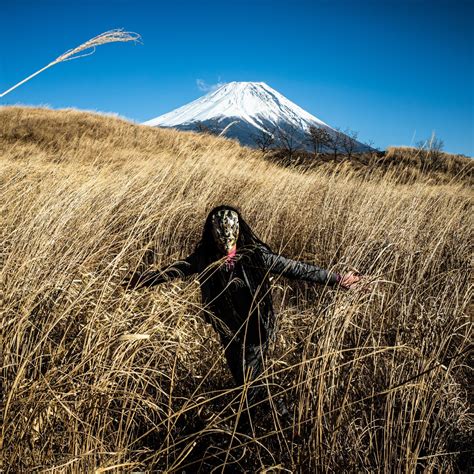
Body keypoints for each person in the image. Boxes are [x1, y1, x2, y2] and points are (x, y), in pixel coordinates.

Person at [123, 205, 361, 422]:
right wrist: (143, 280)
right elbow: (176, 270)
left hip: (256, 327)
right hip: (228, 328)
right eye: (220, 234)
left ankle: (282, 421)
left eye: (229, 233)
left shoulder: (254, 256)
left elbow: (298, 269)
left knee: (252, 383)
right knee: (243, 381)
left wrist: (338, 279)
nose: (225, 239)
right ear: (212, 234)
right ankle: (261, 420)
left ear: (237, 231)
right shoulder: (205, 258)